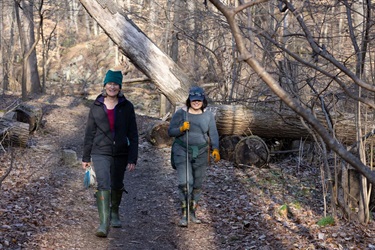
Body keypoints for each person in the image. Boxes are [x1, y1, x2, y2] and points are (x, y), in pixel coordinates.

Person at [81, 69, 139, 237]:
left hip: (121, 152)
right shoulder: (96, 105)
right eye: (109, 84)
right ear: (104, 85)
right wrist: (86, 157)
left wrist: (132, 158)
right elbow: (89, 132)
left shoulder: (127, 107)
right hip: (100, 151)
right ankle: (103, 223)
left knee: (117, 184)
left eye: (115, 84)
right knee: (103, 184)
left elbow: (133, 134)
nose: (112, 87)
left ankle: (114, 212)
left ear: (120, 87)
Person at [168, 86, 220, 227]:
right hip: (182, 150)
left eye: (199, 100)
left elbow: (213, 133)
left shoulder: (208, 115)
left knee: (197, 184)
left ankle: (192, 212)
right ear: (189, 100)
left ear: (203, 100)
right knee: (185, 182)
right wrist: (181, 129)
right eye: (193, 100)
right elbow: (170, 132)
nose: (196, 102)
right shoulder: (181, 114)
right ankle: (184, 215)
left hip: (202, 152)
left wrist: (215, 149)